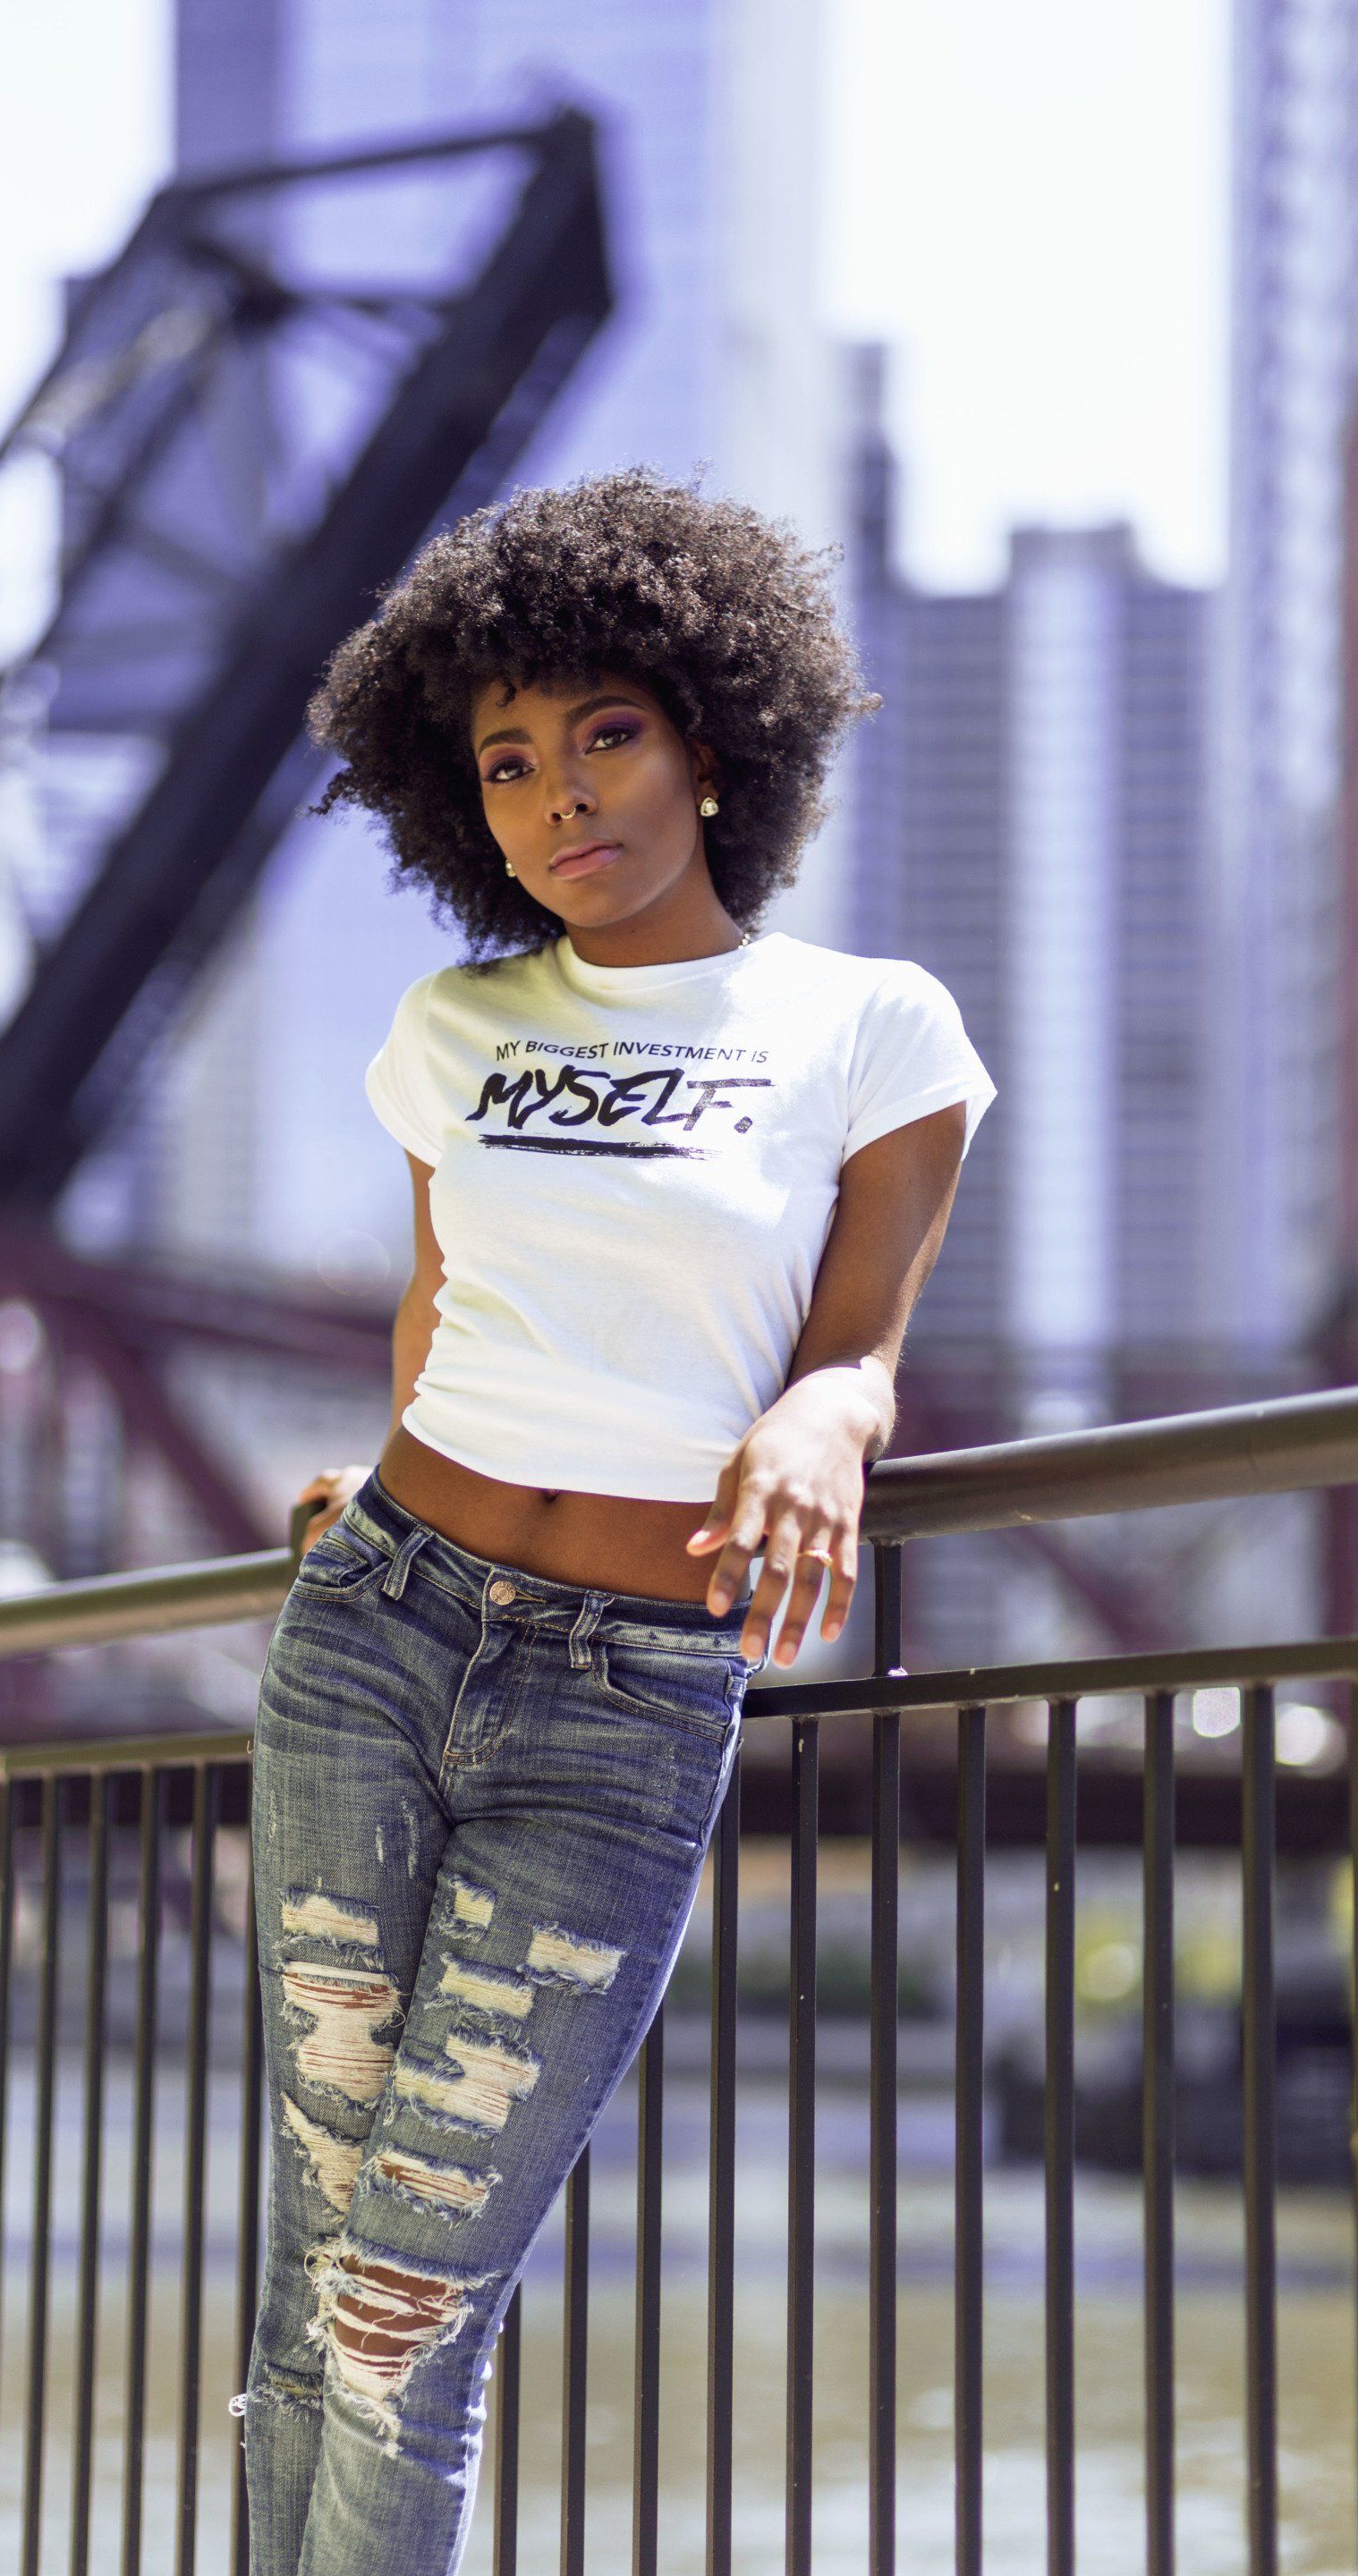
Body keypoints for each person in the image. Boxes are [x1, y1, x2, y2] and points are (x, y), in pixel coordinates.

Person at [242, 467, 996, 2574]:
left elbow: (861, 1342)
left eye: (606, 734)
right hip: (378, 1625)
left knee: (407, 2310)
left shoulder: (874, 1028)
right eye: (506, 762)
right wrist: (377, 1473)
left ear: (715, 742)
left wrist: (828, 1416)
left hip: (624, 1693)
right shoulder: (455, 1030)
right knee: (315, 2270)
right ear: (461, 813)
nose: (560, 793)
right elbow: (447, 1310)